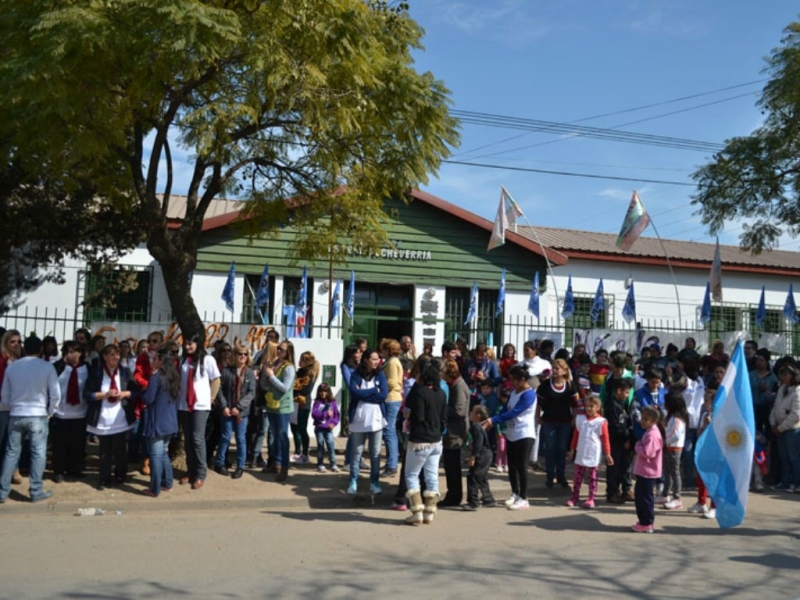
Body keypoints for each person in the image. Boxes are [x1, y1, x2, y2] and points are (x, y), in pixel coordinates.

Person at [0, 336, 60, 503]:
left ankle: (2, 491)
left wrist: (12, 407)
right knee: (38, 453)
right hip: (38, 414)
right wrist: (51, 411)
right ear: (41, 349)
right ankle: (35, 490)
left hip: (17, 413)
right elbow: (55, 394)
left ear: (24, 349)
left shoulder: (13, 367)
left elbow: (5, 394)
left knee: (11, 452)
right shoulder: (47, 367)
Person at [482, 365, 537, 511]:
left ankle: (524, 498)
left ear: (522, 379)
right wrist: (493, 420)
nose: (511, 383)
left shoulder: (529, 394)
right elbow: (506, 409)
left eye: (514, 380)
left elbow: (515, 412)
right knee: (512, 466)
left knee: (522, 466)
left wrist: (493, 421)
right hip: (512, 433)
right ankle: (515, 493)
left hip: (524, 434)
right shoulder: (514, 392)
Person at [85, 343, 135, 490]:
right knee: (104, 451)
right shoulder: (97, 373)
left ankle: (120, 475)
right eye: (112, 354)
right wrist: (104, 395)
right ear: (105, 357)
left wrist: (123, 394)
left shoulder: (125, 372)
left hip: (120, 417)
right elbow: (88, 394)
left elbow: (135, 392)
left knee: (120, 449)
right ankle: (104, 479)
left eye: (117, 355)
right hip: (103, 417)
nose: (115, 357)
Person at [403, 359, 447, 525]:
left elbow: (413, 409)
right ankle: (430, 511)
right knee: (432, 476)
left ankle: (417, 511)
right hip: (436, 440)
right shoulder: (441, 393)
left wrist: (416, 384)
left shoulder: (420, 391)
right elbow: (443, 419)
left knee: (412, 475)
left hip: (420, 439)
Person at [178, 334, 221, 490]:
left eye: (191, 344)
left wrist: (211, 397)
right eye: (186, 344)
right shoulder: (183, 360)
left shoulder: (207, 359)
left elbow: (216, 379)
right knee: (188, 439)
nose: (188, 346)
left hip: (200, 405)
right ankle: (190, 470)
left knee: (197, 439)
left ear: (198, 344)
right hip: (184, 405)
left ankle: (201, 473)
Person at [347, 349, 388, 495]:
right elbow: (354, 392)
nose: (377, 362)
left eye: (378, 359)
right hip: (359, 418)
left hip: (376, 419)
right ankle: (353, 481)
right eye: (374, 359)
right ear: (366, 360)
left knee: (375, 452)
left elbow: (383, 394)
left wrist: (364, 394)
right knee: (357, 452)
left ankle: (374, 482)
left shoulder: (381, 374)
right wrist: (373, 391)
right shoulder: (356, 375)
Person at [141, 347, 180, 497]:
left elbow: (149, 398)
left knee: (156, 455)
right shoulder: (173, 377)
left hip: (157, 421)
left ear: (162, 361)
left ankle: (155, 487)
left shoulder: (156, 377)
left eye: (155, 358)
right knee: (163, 453)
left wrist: (142, 393)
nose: (153, 360)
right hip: (170, 421)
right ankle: (168, 483)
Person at [215, 343, 256, 479]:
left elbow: (251, 393)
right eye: (240, 354)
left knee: (240, 438)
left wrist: (238, 407)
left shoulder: (249, 372)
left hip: (241, 412)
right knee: (225, 437)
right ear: (235, 355)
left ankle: (240, 466)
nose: (242, 356)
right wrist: (224, 407)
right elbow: (219, 390)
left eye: (245, 354)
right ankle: (220, 463)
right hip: (227, 410)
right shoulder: (226, 371)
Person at [51, 341, 89, 482]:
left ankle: (74, 469)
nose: (71, 354)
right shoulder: (58, 367)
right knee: (60, 444)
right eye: (68, 351)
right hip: (61, 412)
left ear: (80, 353)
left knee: (77, 445)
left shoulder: (86, 368)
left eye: (74, 351)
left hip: (80, 412)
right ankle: (58, 471)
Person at [536, 358, 577, 488]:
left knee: (561, 449)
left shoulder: (570, 385)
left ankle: (561, 476)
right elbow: (538, 403)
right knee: (550, 448)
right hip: (549, 421)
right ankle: (549, 476)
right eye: (553, 368)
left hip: (565, 422)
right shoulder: (545, 385)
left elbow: (575, 404)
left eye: (557, 368)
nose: (554, 370)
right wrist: (538, 417)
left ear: (565, 371)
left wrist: (574, 418)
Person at [566, 395, 612, 509]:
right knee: (577, 476)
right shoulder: (580, 419)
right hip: (581, 451)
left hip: (593, 452)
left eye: (592, 406)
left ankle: (591, 498)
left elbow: (605, 439)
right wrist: (572, 449)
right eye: (587, 406)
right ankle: (575, 496)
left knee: (592, 477)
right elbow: (575, 436)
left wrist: (608, 454)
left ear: (598, 407)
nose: (589, 409)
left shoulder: (601, 421)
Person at [261, 340, 296, 483]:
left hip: (283, 407)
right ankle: (275, 463)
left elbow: (284, 388)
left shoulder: (289, 368)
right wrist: (265, 374)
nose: (278, 351)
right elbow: (266, 385)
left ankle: (284, 467)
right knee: (274, 436)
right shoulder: (275, 364)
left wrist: (271, 376)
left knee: (282, 437)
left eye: (281, 349)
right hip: (272, 405)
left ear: (288, 352)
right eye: (278, 349)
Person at [438, 358, 469, 508]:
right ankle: (453, 494)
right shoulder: (453, 385)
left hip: (456, 433)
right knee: (450, 465)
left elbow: (460, 411)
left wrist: (441, 408)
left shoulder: (459, 386)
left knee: (453, 466)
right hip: (451, 432)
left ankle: (454, 496)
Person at [133, 330, 164, 477]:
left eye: (155, 341)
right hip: (147, 396)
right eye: (150, 341)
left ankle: (158, 459)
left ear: (161, 343)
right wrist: (149, 385)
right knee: (147, 429)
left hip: (163, 399)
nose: (151, 344)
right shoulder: (142, 357)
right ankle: (146, 459)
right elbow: (137, 375)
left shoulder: (166, 357)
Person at [632, 405, 664, 533]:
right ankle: (644, 521)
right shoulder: (649, 432)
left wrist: (637, 446)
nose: (643, 421)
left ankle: (647, 522)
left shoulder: (653, 434)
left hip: (648, 472)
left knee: (645, 499)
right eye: (643, 418)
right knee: (641, 497)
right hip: (644, 471)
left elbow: (648, 452)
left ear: (654, 421)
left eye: (646, 419)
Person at [688, 383, 718, 518]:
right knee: (701, 476)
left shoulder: (718, 414)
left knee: (713, 478)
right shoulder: (703, 411)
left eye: (707, 400)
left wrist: (711, 422)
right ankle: (701, 502)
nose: (704, 402)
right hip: (703, 448)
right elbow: (699, 429)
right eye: (704, 399)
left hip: (714, 450)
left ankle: (714, 506)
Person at [769, 365, 800, 492]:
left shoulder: (798, 391)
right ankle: (784, 482)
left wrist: (780, 428)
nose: (783, 377)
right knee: (783, 457)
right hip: (779, 429)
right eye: (781, 375)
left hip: (792, 429)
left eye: (786, 375)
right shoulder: (782, 389)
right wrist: (772, 423)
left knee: (793, 457)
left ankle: (795, 482)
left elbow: (796, 414)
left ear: (793, 376)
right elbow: (776, 407)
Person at [247, 341, 277, 469]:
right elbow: (264, 385)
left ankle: (269, 458)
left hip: (269, 403)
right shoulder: (267, 366)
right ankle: (255, 457)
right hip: (266, 403)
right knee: (264, 431)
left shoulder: (272, 365)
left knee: (268, 432)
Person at [605, 378, 635, 503]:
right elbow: (616, 426)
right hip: (616, 441)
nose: (627, 395)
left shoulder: (623, 404)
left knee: (626, 466)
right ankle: (612, 492)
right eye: (626, 392)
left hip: (626, 441)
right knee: (614, 468)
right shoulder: (612, 405)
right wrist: (624, 439)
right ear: (618, 391)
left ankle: (626, 489)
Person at [658, 390, 687, 510]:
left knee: (675, 472)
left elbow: (675, 435)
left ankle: (677, 498)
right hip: (668, 447)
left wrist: (664, 442)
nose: (664, 404)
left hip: (674, 448)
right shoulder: (670, 417)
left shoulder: (677, 419)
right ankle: (665, 494)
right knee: (667, 471)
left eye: (666, 402)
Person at [462, 404, 496, 511]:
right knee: (482, 478)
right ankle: (488, 499)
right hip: (487, 455)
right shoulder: (479, 426)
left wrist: (473, 457)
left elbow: (478, 444)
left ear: (478, 415)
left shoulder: (476, 426)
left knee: (473, 477)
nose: (470, 414)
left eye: (472, 412)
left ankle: (473, 502)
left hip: (482, 455)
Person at [0, 329, 23, 475]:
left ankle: (10, 470)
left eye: (18, 341)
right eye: (12, 341)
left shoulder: (20, 360)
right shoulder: (2, 359)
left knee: (13, 442)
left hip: (18, 406)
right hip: (2, 406)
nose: (16, 344)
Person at [290, 351, 319, 466]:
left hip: (303, 404)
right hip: (294, 403)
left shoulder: (310, 374)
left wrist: (295, 389)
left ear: (307, 362)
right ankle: (297, 451)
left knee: (302, 429)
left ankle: (305, 454)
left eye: (302, 360)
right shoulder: (298, 372)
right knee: (294, 428)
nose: (299, 361)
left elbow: (306, 390)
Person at [380, 339, 404, 477]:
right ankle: (391, 462)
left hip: (391, 399)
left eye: (383, 349)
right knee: (391, 431)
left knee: (388, 431)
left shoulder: (392, 362)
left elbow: (391, 382)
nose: (381, 351)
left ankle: (391, 465)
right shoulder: (391, 361)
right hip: (392, 399)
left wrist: (378, 390)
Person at [311, 383, 340, 472]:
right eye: (321, 391)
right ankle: (320, 464)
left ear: (328, 392)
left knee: (331, 445)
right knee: (320, 445)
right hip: (319, 428)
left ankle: (333, 464)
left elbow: (336, 415)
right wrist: (325, 414)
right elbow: (314, 414)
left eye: (325, 391)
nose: (323, 393)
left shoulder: (333, 403)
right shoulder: (317, 403)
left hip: (328, 428)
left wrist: (333, 424)